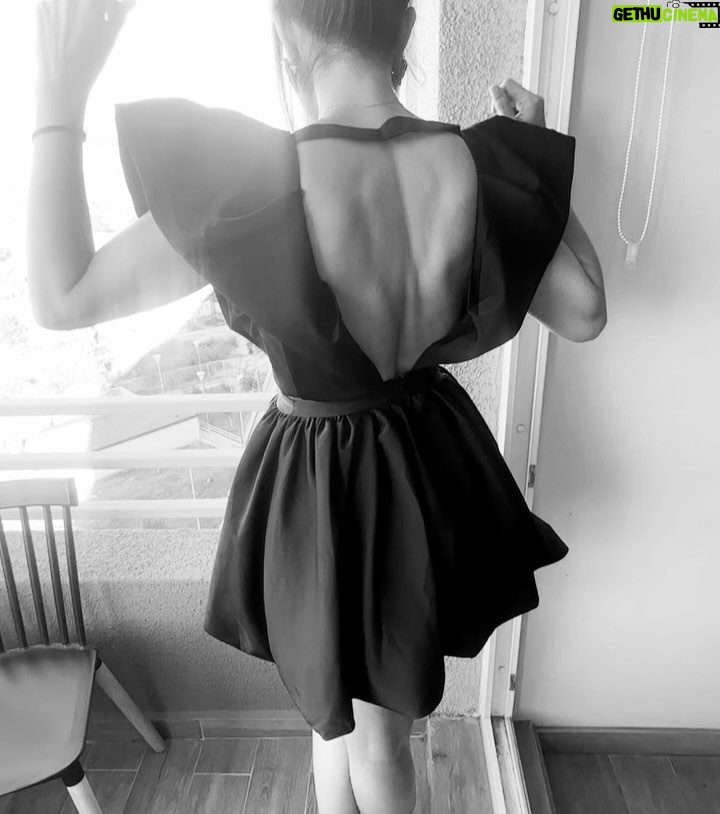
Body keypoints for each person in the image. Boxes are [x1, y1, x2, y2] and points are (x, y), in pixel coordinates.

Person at [28, 1, 606, 812]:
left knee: (374, 744)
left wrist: (58, 101)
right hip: (425, 464)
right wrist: (537, 170)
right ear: (402, 35)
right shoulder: (479, 164)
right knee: (353, 722)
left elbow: (62, 297)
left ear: (289, 38)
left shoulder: (254, 185)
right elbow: (585, 312)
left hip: (324, 482)